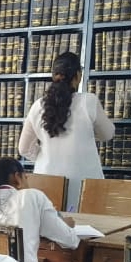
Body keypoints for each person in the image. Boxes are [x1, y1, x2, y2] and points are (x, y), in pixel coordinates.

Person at [18, 52, 114, 204]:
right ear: (78, 76)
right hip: (84, 184)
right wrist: (87, 135)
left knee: (48, 224)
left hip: (46, 181)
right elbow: (107, 134)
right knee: (85, 224)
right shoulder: (88, 102)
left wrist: (47, 156)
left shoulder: (38, 105)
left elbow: (23, 149)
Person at [0, 157, 79, 262]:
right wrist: (66, 225)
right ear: (17, 177)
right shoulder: (32, 196)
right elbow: (70, 241)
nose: (27, 181)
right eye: (26, 177)